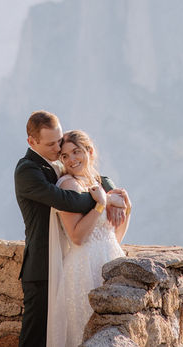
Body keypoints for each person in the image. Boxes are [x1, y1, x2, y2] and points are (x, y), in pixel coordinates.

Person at [15, 111, 126, 347]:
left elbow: (94, 176)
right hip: (42, 267)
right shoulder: (28, 171)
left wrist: (116, 194)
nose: (58, 148)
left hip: (68, 261)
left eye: (59, 141)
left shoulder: (56, 162)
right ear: (32, 142)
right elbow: (68, 200)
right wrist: (103, 202)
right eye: (52, 143)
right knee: (35, 337)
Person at [47, 130, 131, 347]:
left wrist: (128, 210)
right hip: (84, 269)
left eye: (76, 152)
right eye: (65, 156)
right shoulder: (68, 185)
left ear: (89, 151)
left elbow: (113, 237)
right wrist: (101, 205)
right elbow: (77, 237)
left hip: (109, 261)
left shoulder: (97, 183)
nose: (72, 159)